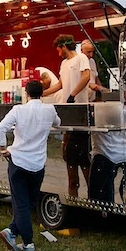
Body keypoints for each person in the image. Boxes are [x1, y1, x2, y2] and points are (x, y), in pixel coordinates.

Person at [0, 80, 61, 251]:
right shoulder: (50, 109)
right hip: (38, 163)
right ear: (43, 93)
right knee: (30, 202)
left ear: (26, 93)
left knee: (21, 203)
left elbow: (1, 128)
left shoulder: (18, 110)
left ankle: (25, 241)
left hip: (18, 161)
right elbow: (58, 123)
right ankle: (13, 232)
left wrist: (3, 148)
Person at [43, 34, 92, 197]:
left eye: (59, 50)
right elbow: (60, 84)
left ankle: (93, 196)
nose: (58, 54)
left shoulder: (81, 59)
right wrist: (41, 94)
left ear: (64, 47)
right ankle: (74, 197)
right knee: (69, 154)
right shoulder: (64, 64)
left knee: (83, 155)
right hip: (67, 112)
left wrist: (73, 94)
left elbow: (86, 76)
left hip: (79, 111)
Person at [89, 90, 126, 204]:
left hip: (104, 156)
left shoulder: (97, 114)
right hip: (121, 156)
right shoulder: (124, 113)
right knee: (110, 189)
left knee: (96, 195)